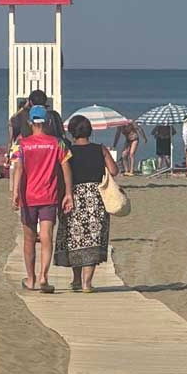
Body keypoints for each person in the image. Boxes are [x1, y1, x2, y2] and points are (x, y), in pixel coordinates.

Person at [11, 105, 74, 293]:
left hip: (28, 196)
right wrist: (68, 193)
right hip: (49, 195)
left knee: (29, 239)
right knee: (46, 236)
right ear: (46, 122)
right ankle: (44, 275)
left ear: (30, 122)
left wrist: (15, 192)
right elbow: (66, 168)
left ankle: (31, 279)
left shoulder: (22, 144)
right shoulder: (57, 143)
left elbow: (18, 168)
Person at [55, 115, 118, 292]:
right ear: (90, 131)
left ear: (72, 132)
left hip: (73, 195)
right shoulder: (100, 149)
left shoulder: (68, 151)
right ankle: (86, 283)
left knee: (74, 238)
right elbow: (114, 170)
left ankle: (76, 279)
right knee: (93, 238)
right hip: (95, 198)